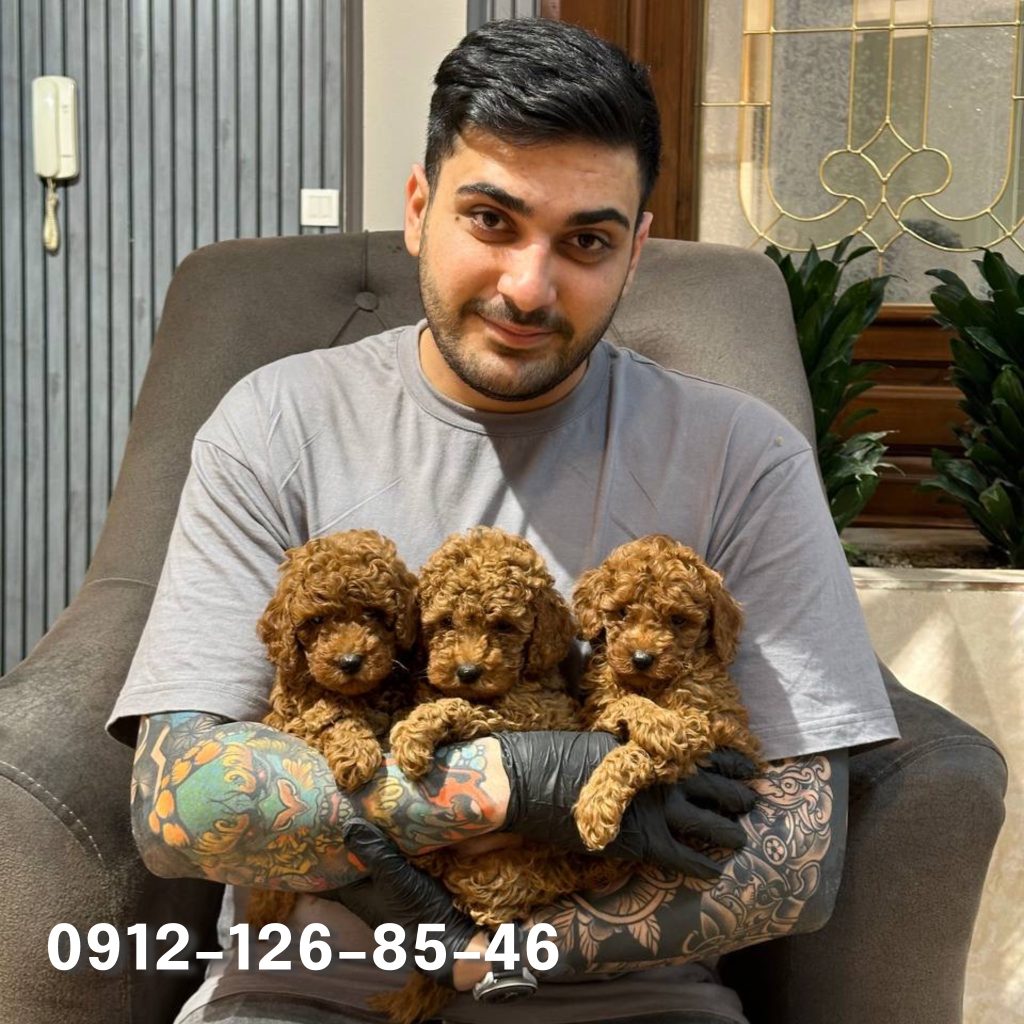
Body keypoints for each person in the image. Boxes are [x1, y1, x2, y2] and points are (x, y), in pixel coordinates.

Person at [107, 17, 899, 1024]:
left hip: (634, 1006)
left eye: (586, 241)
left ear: (635, 251)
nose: (530, 285)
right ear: (417, 207)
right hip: (307, 998)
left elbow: (797, 862)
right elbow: (179, 807)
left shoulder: (740, 457)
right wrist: (519, 779)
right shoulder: (275, 425)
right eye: (491, 219)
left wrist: (515, 950)